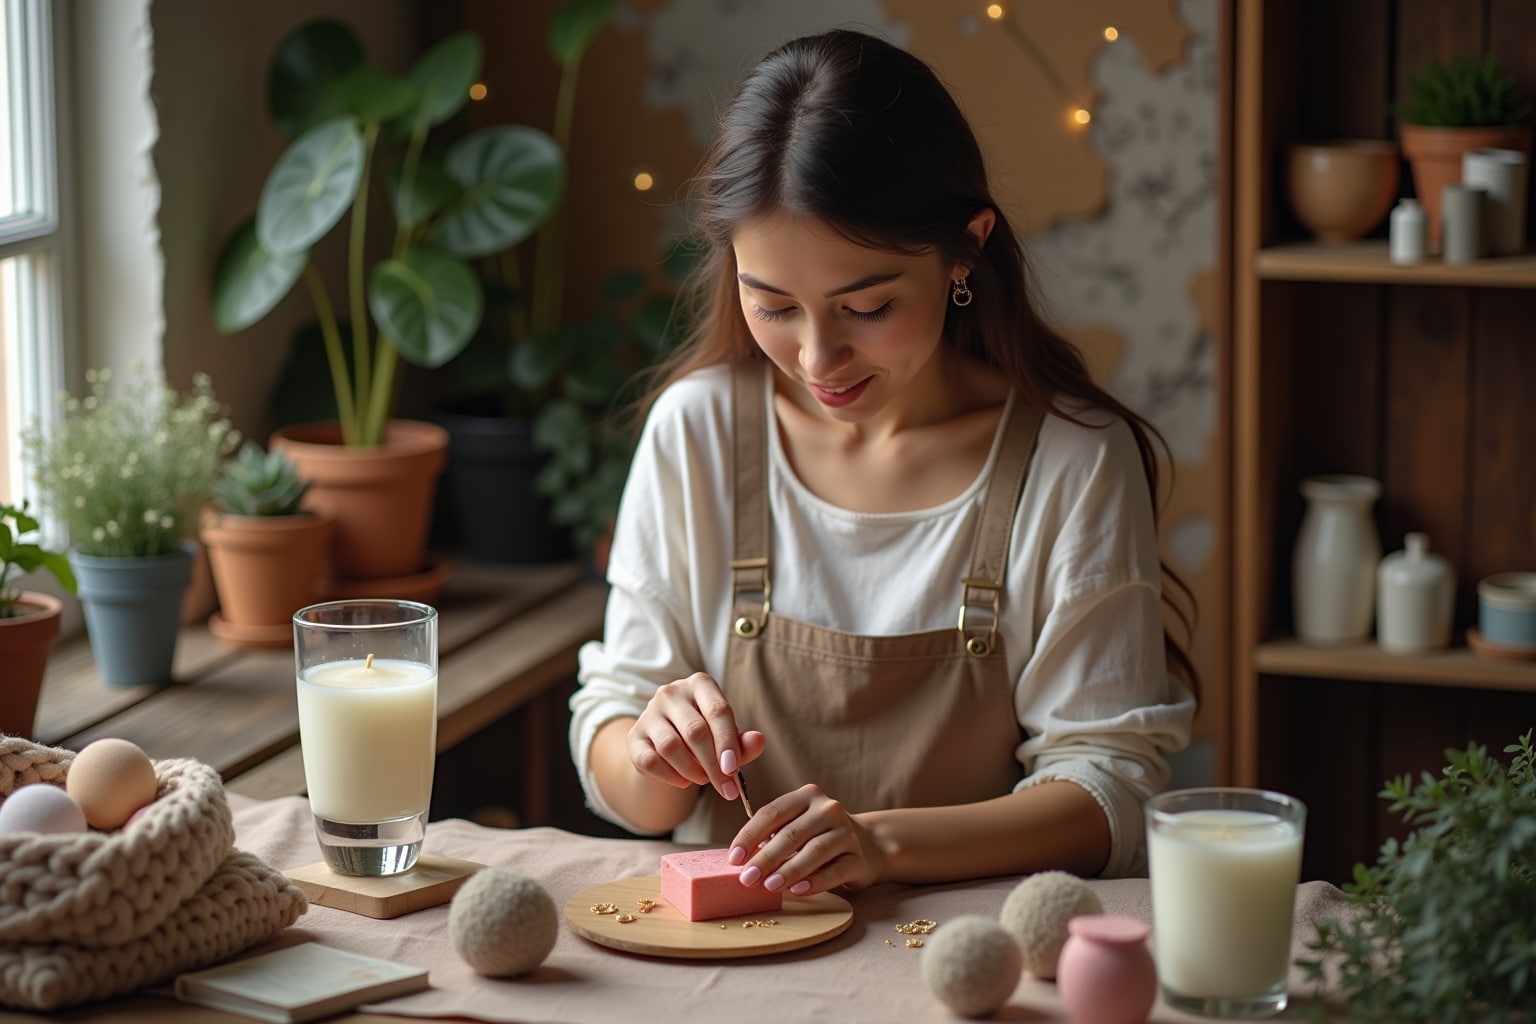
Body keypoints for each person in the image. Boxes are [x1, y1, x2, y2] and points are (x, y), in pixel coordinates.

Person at [568, 27, 1196, 897]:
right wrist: (648, 750)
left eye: (866, 305)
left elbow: (1108, 795)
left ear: (964, 250)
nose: (819, 357)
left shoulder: (1073, 462)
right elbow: (618, 753)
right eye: (774, 304)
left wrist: (882, 846)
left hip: (971, 963)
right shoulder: (697, 432)